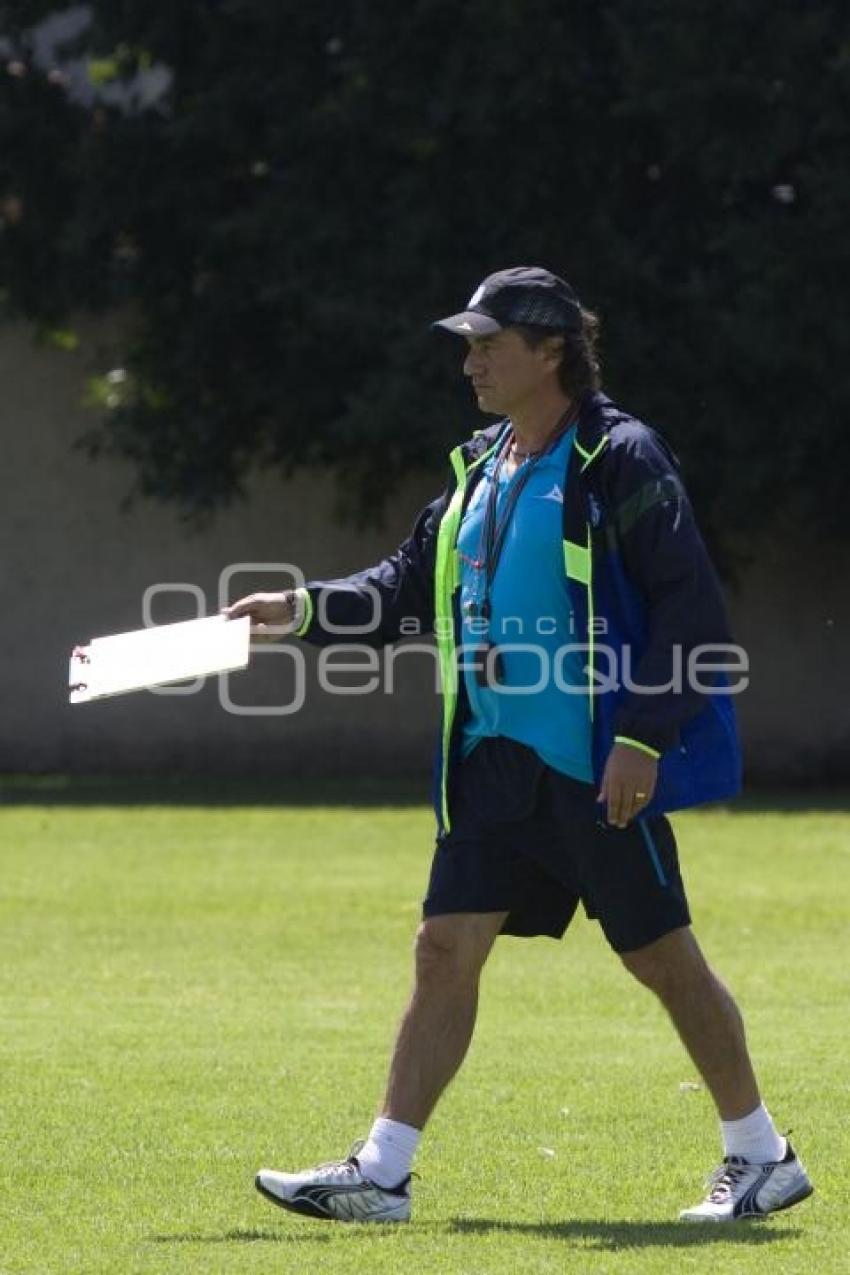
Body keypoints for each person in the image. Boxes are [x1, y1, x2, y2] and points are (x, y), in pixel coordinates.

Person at [224, 266, 812, 1225]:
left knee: (660, 957)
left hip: (591, 767)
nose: (471, 362)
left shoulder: (621, 456)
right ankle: (383, 1171)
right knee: (442, 947)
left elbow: (689, 605)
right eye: (467, 344)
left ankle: (761, 1152)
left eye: (489, 344)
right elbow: (410, 584)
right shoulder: (484, 463)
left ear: (552, 351)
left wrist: (640, 737)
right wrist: (298, 610)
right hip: (491, 761)